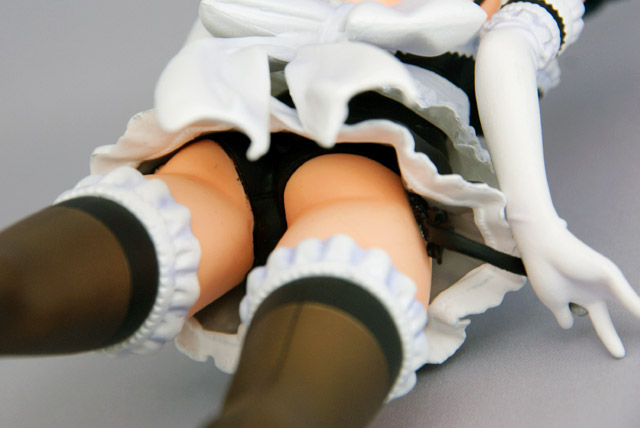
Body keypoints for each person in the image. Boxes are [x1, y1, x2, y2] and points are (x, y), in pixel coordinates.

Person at [0, 0, 637, 427]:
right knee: (287, 405)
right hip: (339, 169)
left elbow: (213, 32)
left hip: (256, 147)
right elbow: (505, 57)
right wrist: (538, 228)